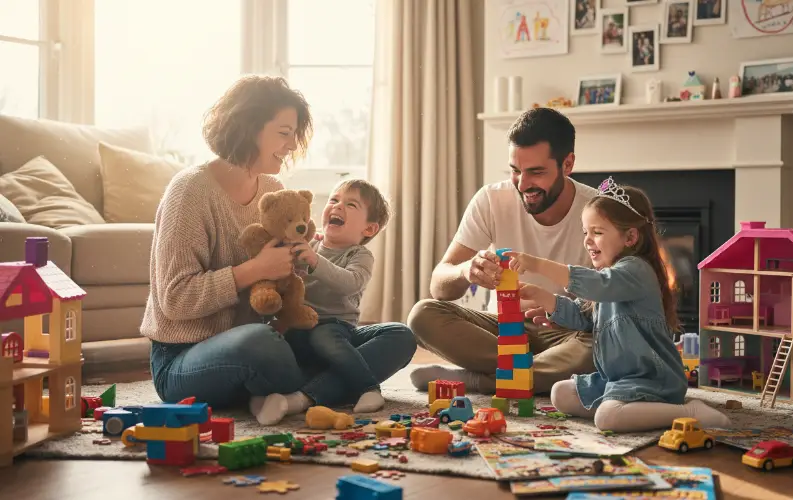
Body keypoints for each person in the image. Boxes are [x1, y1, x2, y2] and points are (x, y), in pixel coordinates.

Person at [141, 75, 417, 414]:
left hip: (271, 341)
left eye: (294, 135)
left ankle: (298, 395)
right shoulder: (189, 191)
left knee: (399, 337)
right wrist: (252, 271)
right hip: (184, 357)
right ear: (247, 127)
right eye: (284, 133)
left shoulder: (272, 188)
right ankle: (325, 384)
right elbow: (175, 300)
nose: (291, 146)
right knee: (264, 346)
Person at [504, 177, 732, 432]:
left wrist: (536, 264)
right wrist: (540, 296)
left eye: (597, 232)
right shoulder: (608, 277)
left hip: (652, 380)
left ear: (630, 237)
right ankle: (630, 411)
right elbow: (581, 314)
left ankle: (688, 411)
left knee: (607, 418)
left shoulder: (635, 270)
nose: (588, 240)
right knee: (560, 394)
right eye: (585, 233)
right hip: (616, 379)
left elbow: (597, 284)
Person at [407, 107, 599, 395]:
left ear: (567, 164)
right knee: (422, 315)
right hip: (502, 330)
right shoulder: (491, 199)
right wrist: (466, 270)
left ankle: (476, 380)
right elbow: (439, 286)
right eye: (515, 171)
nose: (523, 185)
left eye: (536, 172)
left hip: (568, 333)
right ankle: (538, 375)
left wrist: (562, 310)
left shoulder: (597, 210)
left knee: (602, 345)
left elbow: (615, 299)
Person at [254, 179, 392, 424]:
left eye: (350, 204)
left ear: (369, 229)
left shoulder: (359, 255)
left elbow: (351, 283)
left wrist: (315, 261)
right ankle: (267, 396)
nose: (337, 206)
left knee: (390, 335)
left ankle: (368, 388)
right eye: (334, 200)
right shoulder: (310, 243)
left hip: (334, 325)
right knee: (269, 340)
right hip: (298, 323)